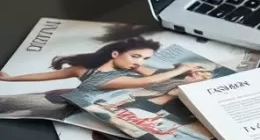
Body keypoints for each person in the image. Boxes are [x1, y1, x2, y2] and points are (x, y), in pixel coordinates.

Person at [0, 37, 204, 95]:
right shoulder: (89, 73)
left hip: (152, 94)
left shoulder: (130, 69)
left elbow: (153, 75)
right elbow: (44, 76)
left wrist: (183, 70)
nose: (139, 62)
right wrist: (9, 79)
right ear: (115, 54)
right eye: (136, 56)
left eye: (143, 58)